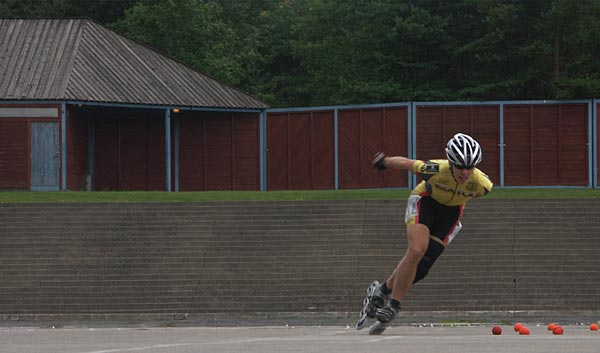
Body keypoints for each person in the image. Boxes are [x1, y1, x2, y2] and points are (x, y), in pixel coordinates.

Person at [360, 133, 493, 334]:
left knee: (421, 269)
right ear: (450, 163)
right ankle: (393, 305)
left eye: (470, 167)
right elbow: (407, 163)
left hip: (450, 214)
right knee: (416, 250)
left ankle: (382, 291)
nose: (465, 173)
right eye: (459, 167)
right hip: (426, 202)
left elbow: (472, 187)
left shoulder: (483, 185)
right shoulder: (435, 169)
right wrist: (384, 161)